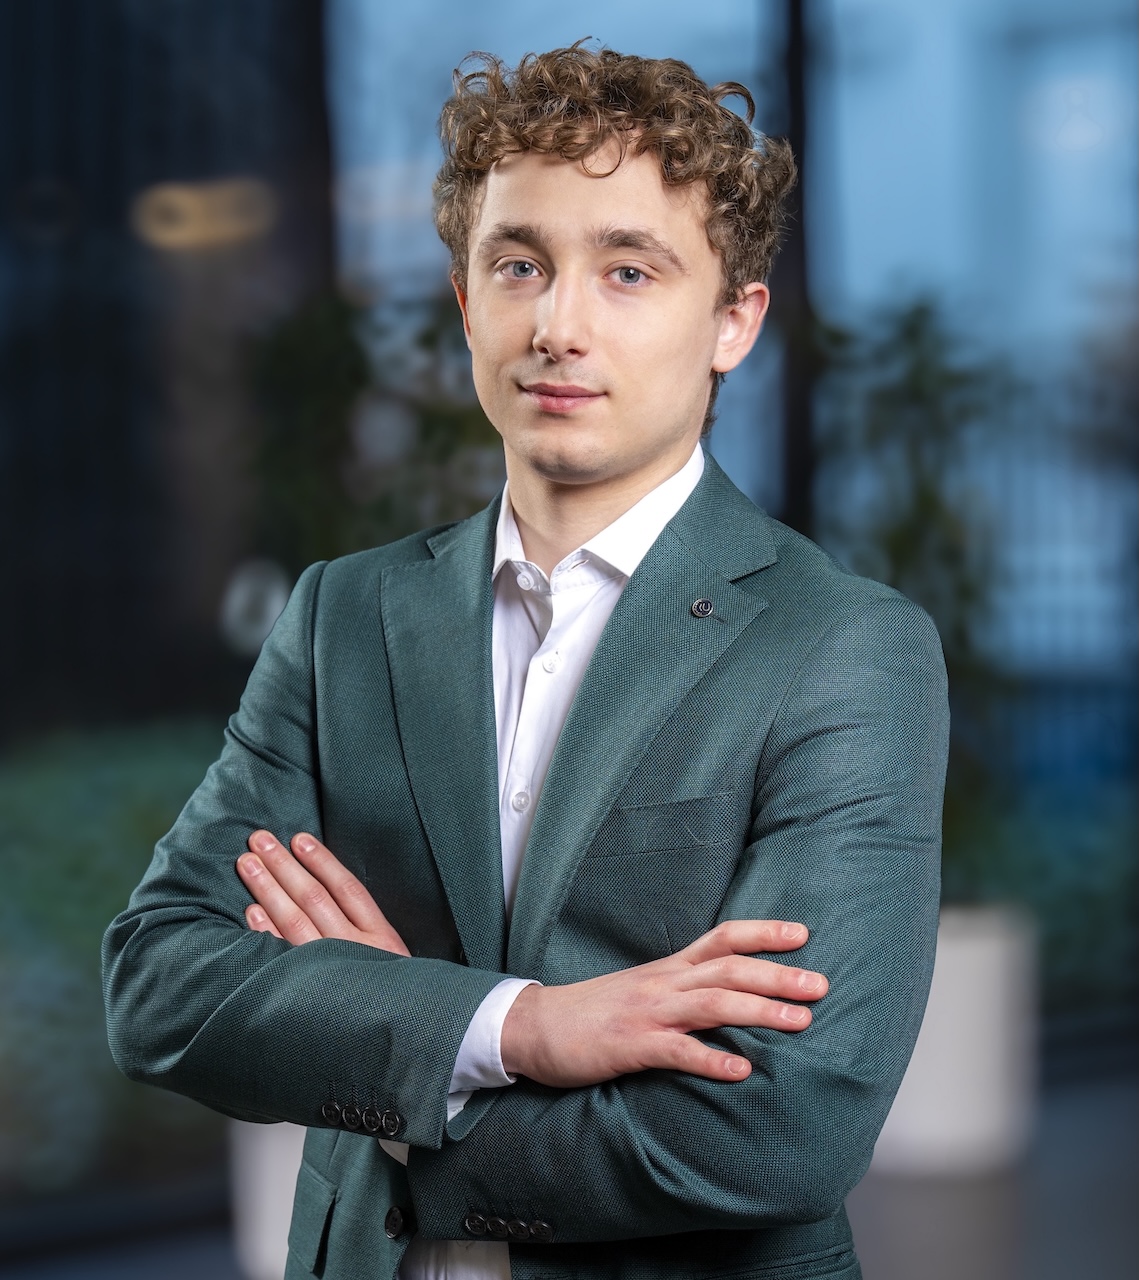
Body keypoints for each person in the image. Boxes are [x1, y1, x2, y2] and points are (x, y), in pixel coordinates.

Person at [103, 43, 949, 1280]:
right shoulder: (344, 616)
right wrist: (522, 1026)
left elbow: (782, 1128)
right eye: (519, 265)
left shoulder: (842, 646)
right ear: (465, 303)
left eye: (626, 270)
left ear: (733, 321)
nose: (557, 325)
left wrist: (403, 1064)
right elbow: (160, 982)